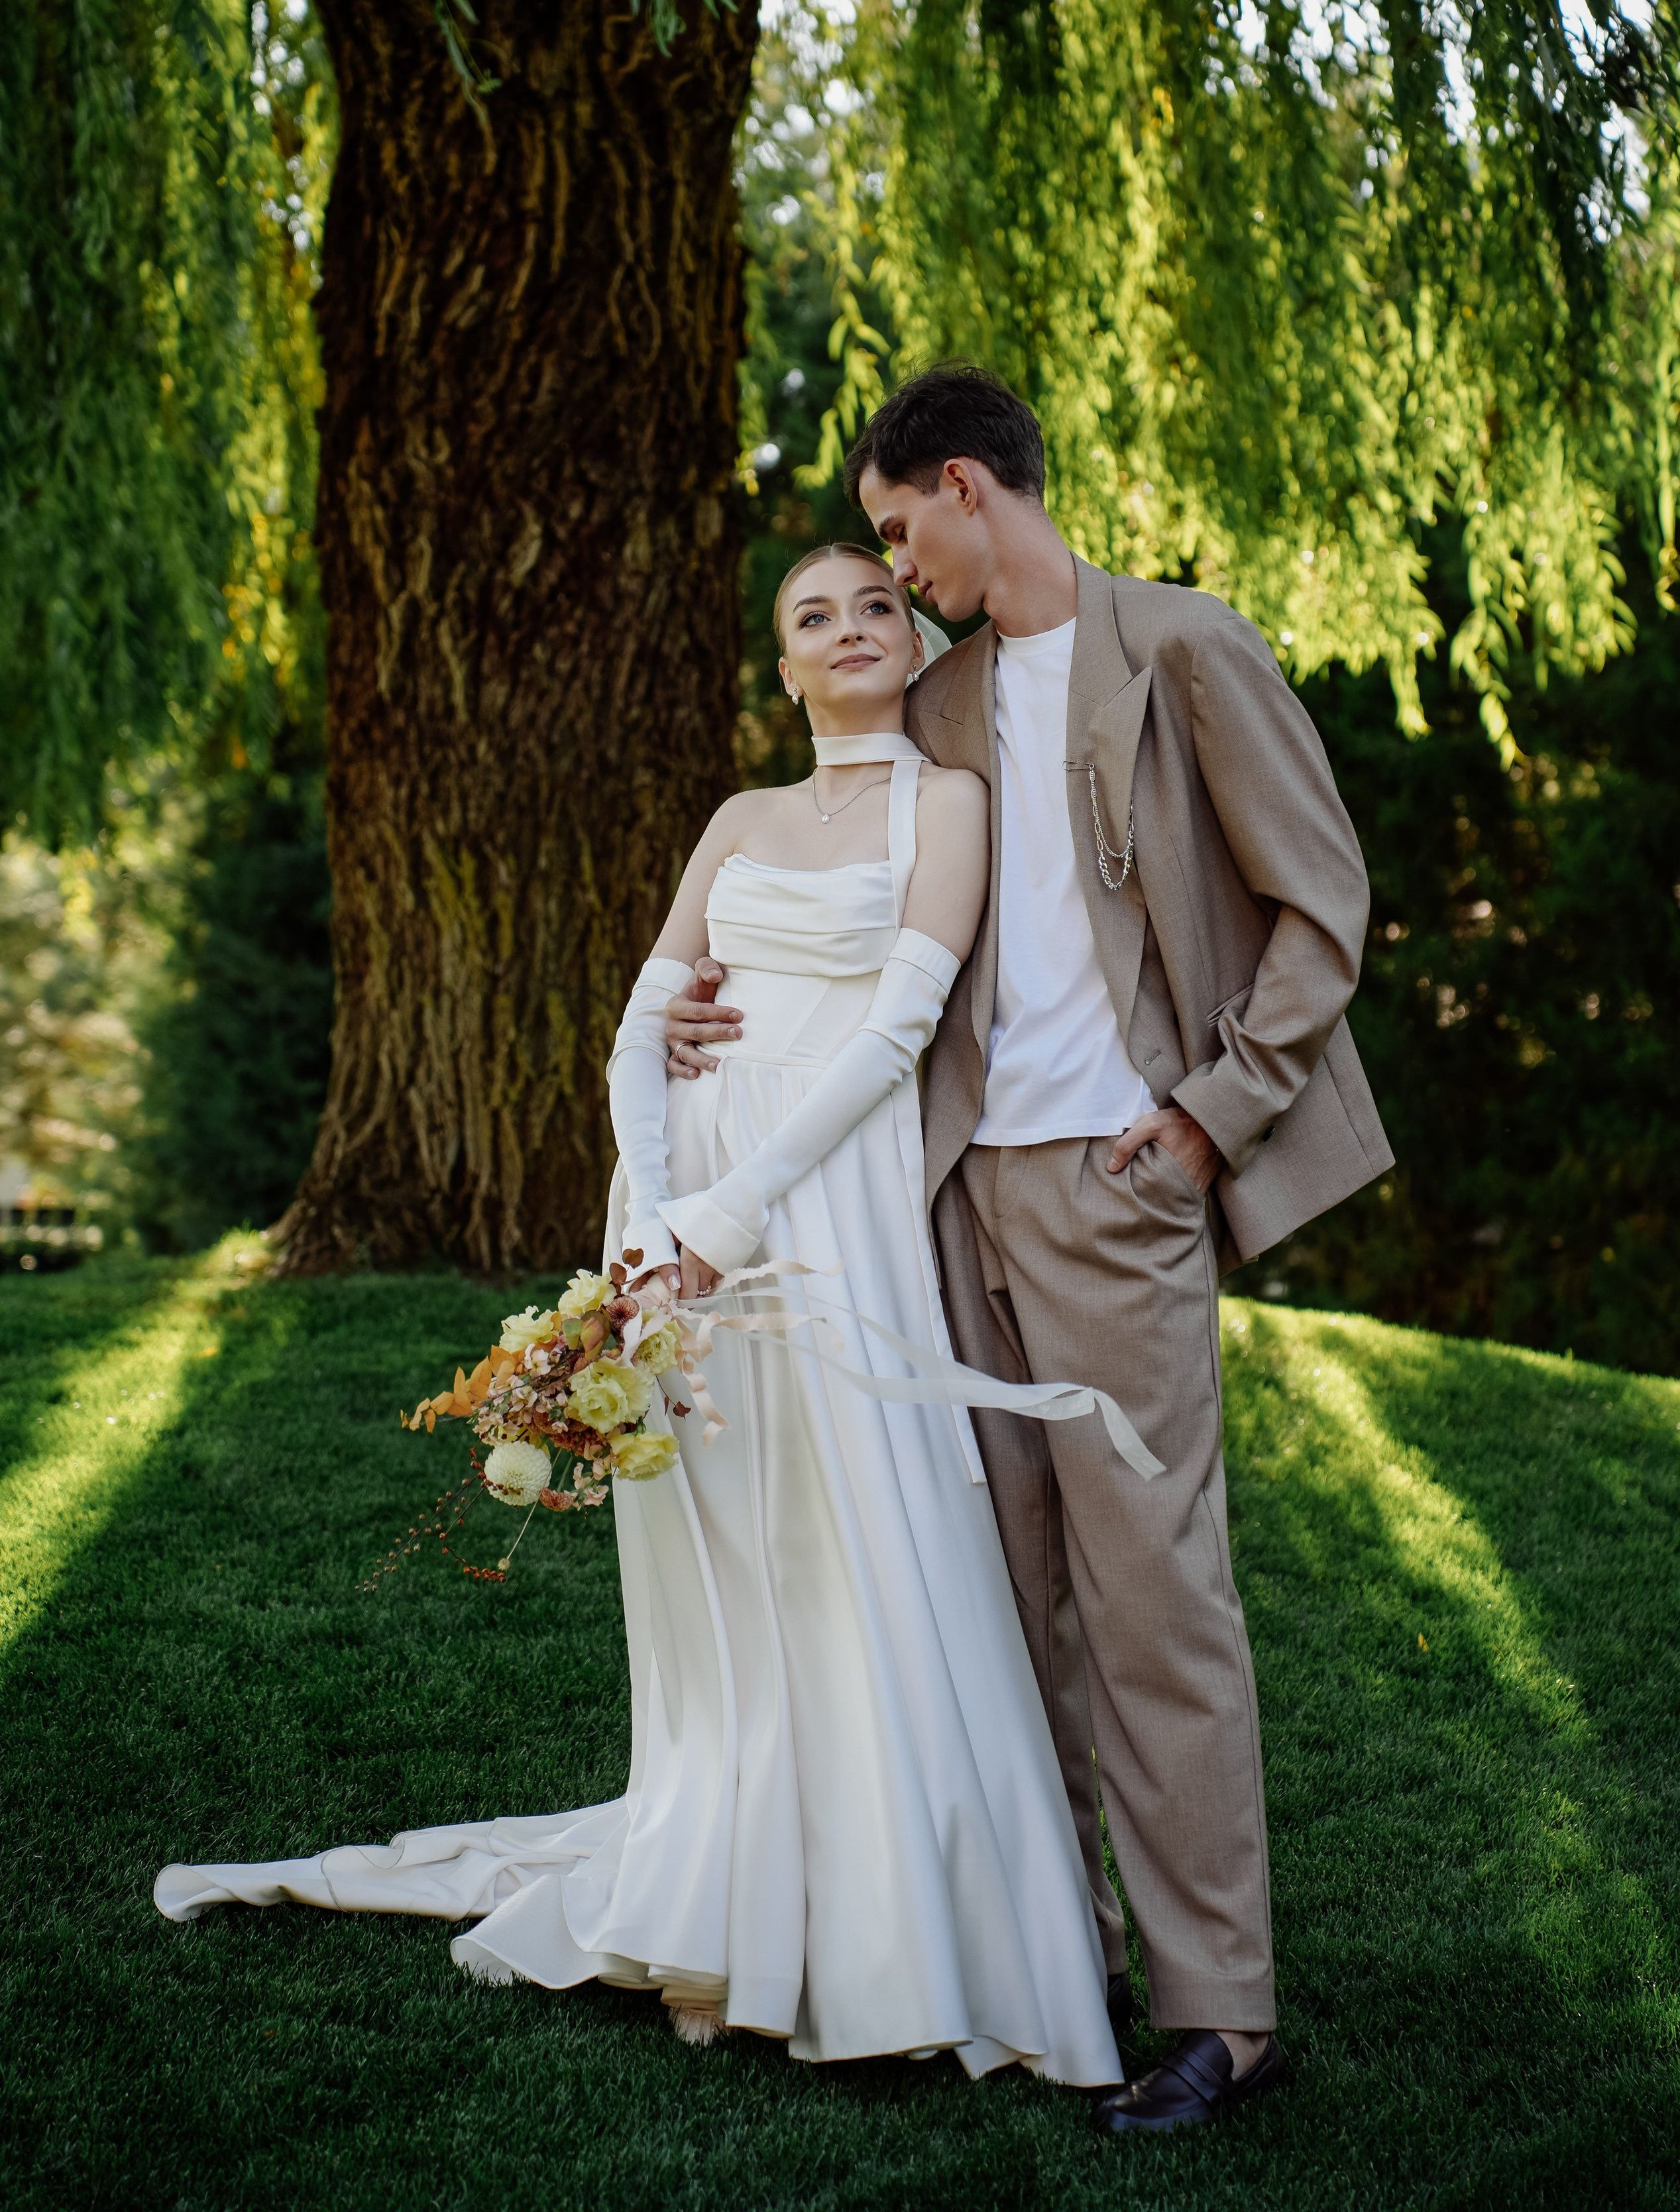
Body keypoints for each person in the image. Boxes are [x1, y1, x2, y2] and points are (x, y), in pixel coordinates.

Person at [154, 537, 1125, 2092]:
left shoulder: (949, 805)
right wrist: (653, 1205)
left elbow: (895, 1029)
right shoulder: (738, 817)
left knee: (852, 1535)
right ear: (785, 667)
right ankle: (717, 1907)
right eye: (814, 616)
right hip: (677, 1211)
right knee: (722, 1557)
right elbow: (641, 1016)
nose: (851, 627)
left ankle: (890, 1930)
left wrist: (729, 1220)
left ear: (909, 637)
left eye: (875, 604)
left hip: (827, 1204)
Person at [665, 364, 1393, 2134]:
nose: (894, 571)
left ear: (972, 487)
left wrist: (1213, 1114)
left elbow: (1325, 905)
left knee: (1153, 1596)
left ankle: (1221, 2008)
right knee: (1002, 1597)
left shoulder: (1188, 650)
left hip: (1119, 1186)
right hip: (944, 1201)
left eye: (901, 528)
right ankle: (1049, 1957)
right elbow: (861, 893)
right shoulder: (944, 697)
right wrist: (708, 1006)